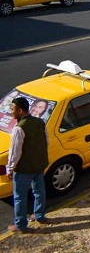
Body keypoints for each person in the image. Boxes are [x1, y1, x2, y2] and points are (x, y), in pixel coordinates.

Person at [7, 97, 49, 233]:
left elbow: (15, 152)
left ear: (19, 111)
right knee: (39, 191)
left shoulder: (19, 129)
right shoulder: (40, 122)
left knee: (19, 196)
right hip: (39, 164)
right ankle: (40, 216)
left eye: (12, 109)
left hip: (24, 169)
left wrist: (10, 169)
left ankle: (20, 224)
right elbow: (46, 141)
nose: (11, 111)